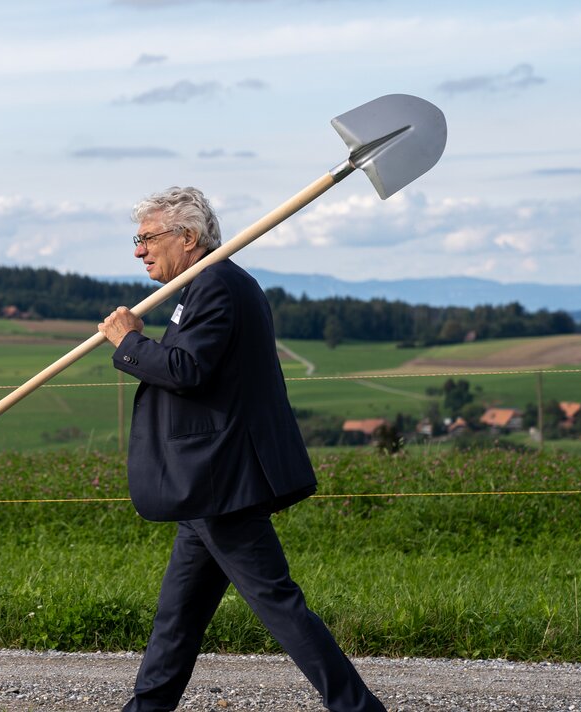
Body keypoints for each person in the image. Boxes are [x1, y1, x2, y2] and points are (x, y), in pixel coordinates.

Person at [96, 186, 386, 712]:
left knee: (279, 604)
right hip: (207, 482)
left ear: (187, 238)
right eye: (135, 240)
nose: (138, 250)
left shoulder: (217, 286)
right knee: (178, 618)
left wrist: (130, 343)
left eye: (146, 238)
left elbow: (187, 371)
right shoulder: (204, 284)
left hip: (219, 480)